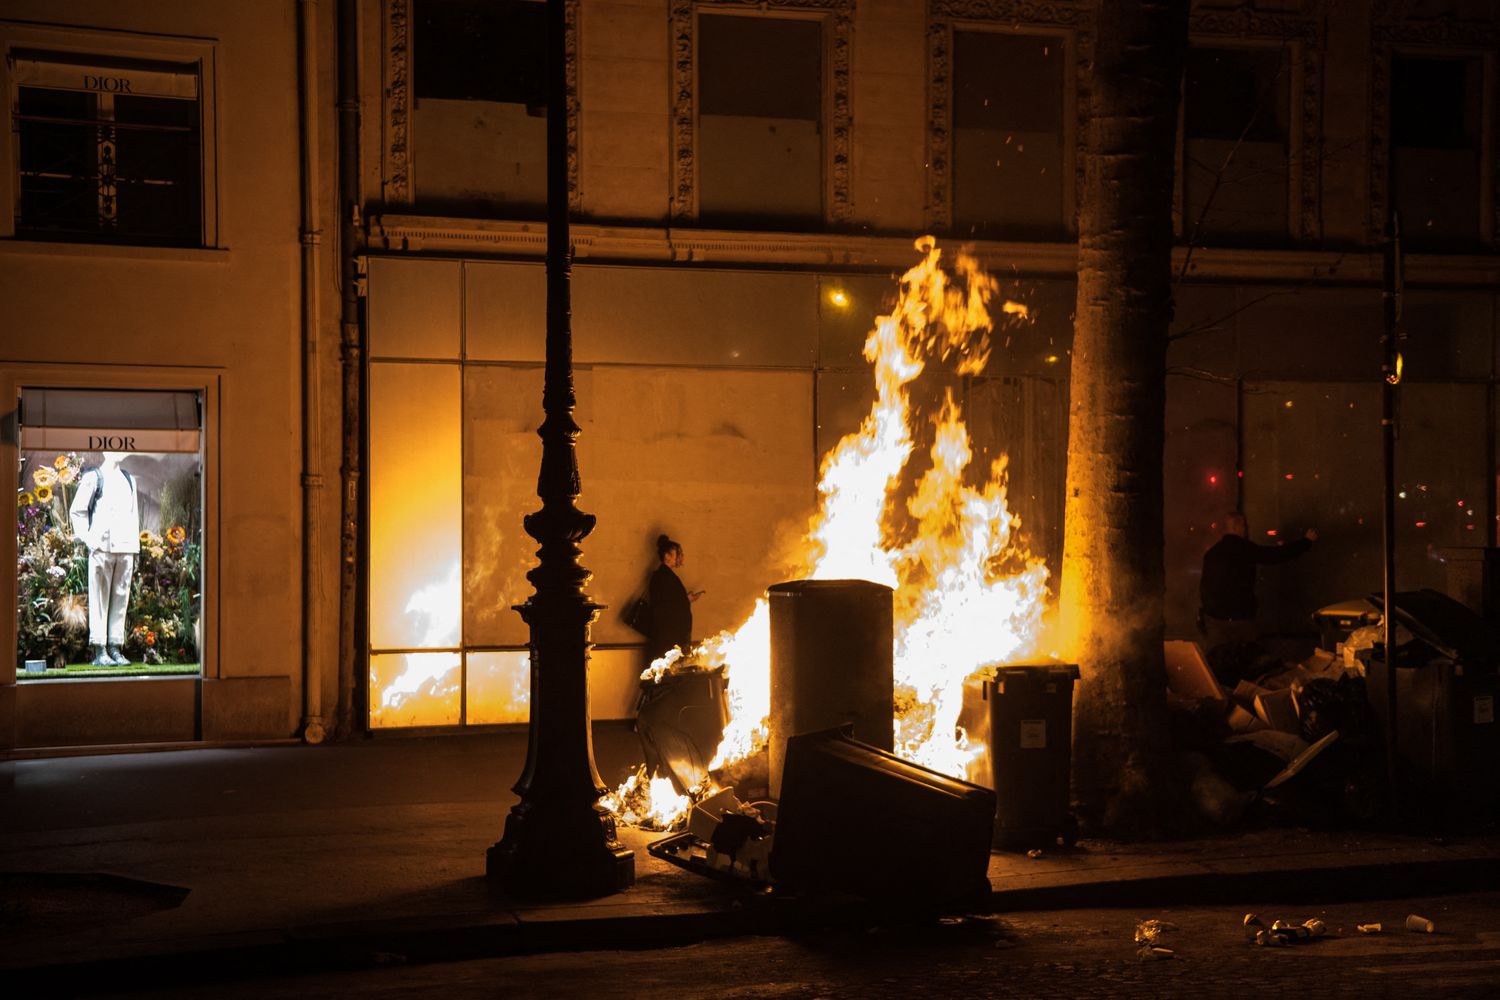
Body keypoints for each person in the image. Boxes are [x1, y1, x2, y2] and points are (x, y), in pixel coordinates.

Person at [1199, 511, 1317, 652]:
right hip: (1240, 619)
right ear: (1237, 527)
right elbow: (1275, 555)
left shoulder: (1212, 553)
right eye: (1244, 526)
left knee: (1216, 657)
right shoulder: (1245, 549)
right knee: (1248, 656)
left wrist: (1208, 611)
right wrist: (1305, 542)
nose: (1246, 530)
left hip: (1215, 619)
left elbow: (1205, 587)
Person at [68, 452, 141, 666]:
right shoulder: (94, 478)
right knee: (99, 598)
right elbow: (77, 511)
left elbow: (133, 514)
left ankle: (115, 647)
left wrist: (134, 546)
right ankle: (100, 649)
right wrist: (90, 539)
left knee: (121, 597)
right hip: (102, 547)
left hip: (125, 547)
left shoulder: (129, 479)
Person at [645, 534, 702, 662]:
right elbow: (666, 607)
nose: (681, 557)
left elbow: (672, 602)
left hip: (671, 638)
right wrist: (685, 600)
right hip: (668, 639)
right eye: (678, 553)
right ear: (667, 556)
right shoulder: (662, 577)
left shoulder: (666, 576)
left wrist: (686, 599)